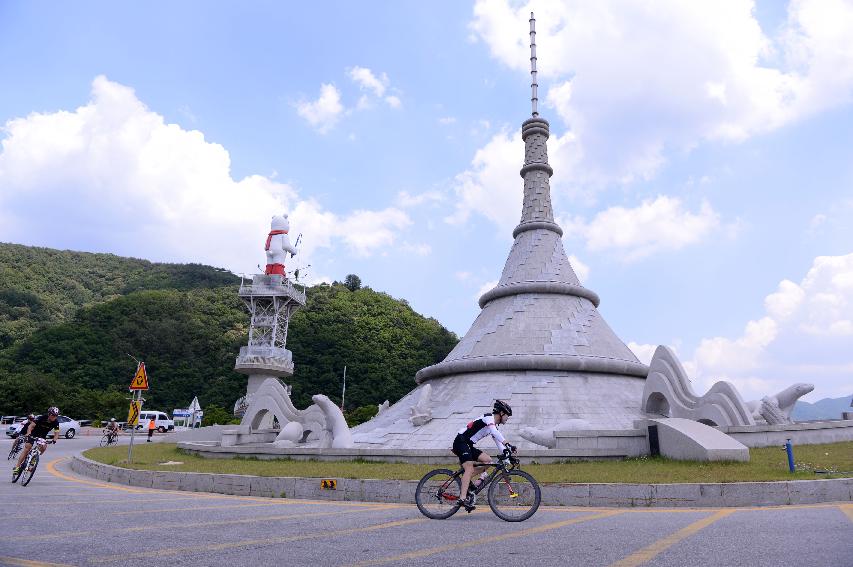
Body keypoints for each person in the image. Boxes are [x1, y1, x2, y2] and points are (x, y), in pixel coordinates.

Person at [452, 400, 516, 512]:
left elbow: (499, 444)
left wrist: (508, 454)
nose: (507, 418)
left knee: (488, 461)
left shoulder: (494, 427)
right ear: (501, 413)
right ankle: (462, 498)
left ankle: (467, 481)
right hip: (461, 441)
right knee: (469, 467)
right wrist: (507, 443)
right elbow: (498, 436)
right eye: (507, 416)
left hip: (468, 444)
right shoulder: (488, 418)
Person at [13, 407, 59, 475]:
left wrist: (54, 440)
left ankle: (34, 458)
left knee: (44, 447)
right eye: (52, 415)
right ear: (49, 414)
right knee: (27, 448)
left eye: (56, 416)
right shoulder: (42, 417)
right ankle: (17, 467)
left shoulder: (56, 422)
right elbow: (30, 426)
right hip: (33, 434)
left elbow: (57, 433)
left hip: (42, 436)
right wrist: (28, 433)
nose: (54, 417)